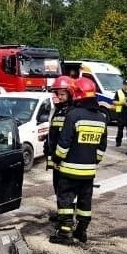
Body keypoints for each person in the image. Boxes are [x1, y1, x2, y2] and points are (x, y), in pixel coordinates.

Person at [51, 77, 108, 245]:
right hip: (89, 171)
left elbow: (63, 144)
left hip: (69, 169)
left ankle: (64, 233)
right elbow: (102, 147)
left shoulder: (73, 115)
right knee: (85, 202)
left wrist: (57, 158)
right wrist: (93, 161)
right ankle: (81, 231)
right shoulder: (101, 117)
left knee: (66, 201)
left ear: (76, 94)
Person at [45, 76, 75, 217]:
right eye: (58, 94)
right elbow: (54, 132)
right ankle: (61, 213)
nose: (59, 97)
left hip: (65, 159)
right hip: (56, 158)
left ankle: (66, 218)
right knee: (57, 187)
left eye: (62, 94)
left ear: (70, 94)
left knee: (65, 190)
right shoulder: (58, 110)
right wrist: (47, 145)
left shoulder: (72, 112)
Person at [113, 79, 127, 147]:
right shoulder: (118, 92)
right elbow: (114, 102)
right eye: (125, 85)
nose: (126, 86)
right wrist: (122, 103)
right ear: (123, 85)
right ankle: (118, 142)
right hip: (121, 113)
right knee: (120, 129)